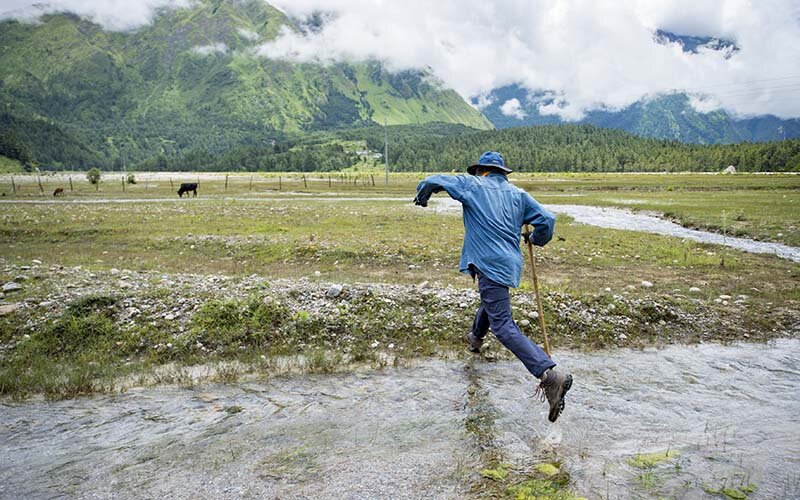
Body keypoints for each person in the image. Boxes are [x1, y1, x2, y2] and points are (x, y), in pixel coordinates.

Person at [414, 151, 573, 422]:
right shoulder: (519, 195)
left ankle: (548, 374)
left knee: (502, 324)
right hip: (509, 264)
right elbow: (548, 220)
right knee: (490, 302)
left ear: (481, 170)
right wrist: (536, 238)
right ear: (501, 172)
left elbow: (432, 179)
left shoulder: (471, 184)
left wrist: (423, 197)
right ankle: (475, 339)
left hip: (488, 263)